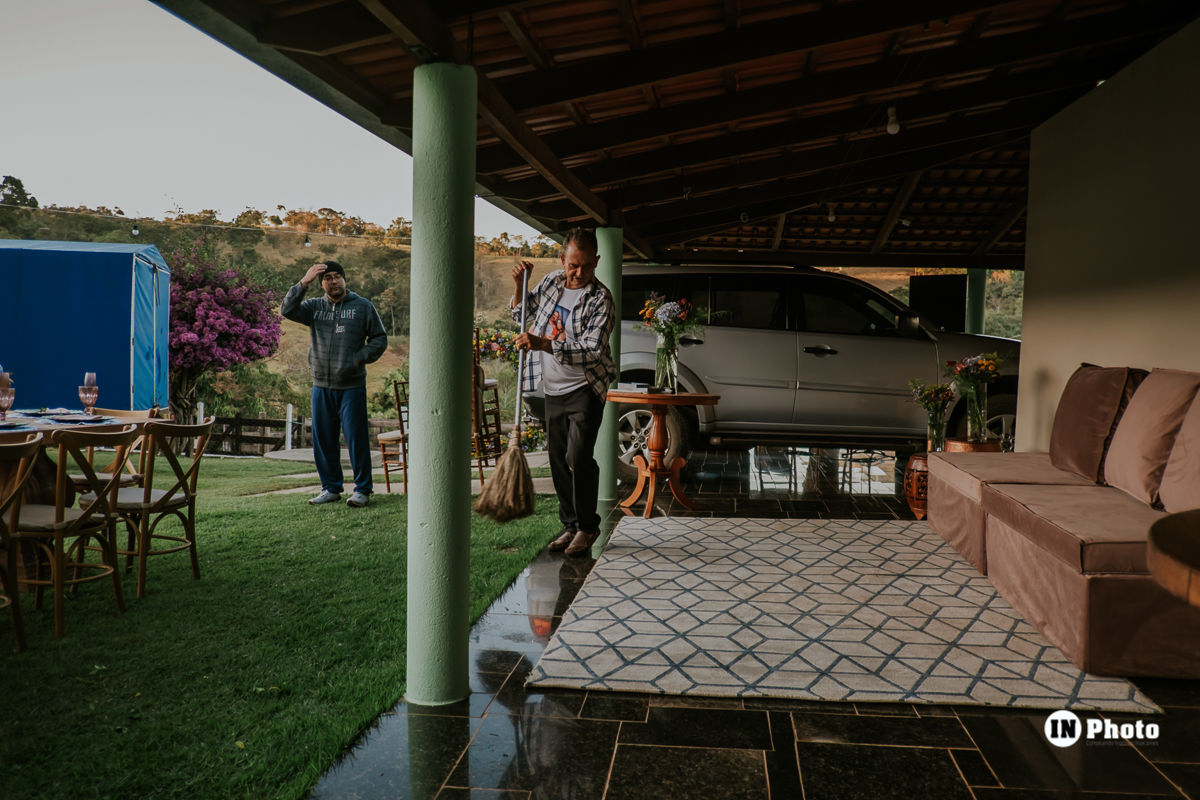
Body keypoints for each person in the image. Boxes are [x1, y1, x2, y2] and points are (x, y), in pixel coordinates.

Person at [511, 228, 616, 557]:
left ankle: (588, 526)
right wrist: (520, 284)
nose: (579, 272)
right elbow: (521, 314)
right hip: (552, 387)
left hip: (585, 387)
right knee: (557, 458)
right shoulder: (553, 282)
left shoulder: (601, 299)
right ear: (562, 260)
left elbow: (593, 351)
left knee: (578, 456)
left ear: (597, 261)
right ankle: (570, 525)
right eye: (573, 265)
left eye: (586, 265)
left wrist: (543, 343)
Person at [282, 259, 387, 507]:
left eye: (337, 276)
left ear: (344, 279)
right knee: (324, 440)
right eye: (327, 278)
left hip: (351, 386)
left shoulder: (362, 307)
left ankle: (362, 490)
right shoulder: (314, 308)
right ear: (321, 283)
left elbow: (379, 339)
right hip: (321, 386)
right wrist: (303, 281)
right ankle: (330, 488)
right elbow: (287, 310)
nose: (333, 281)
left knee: (356, 439)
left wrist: (358, 358)